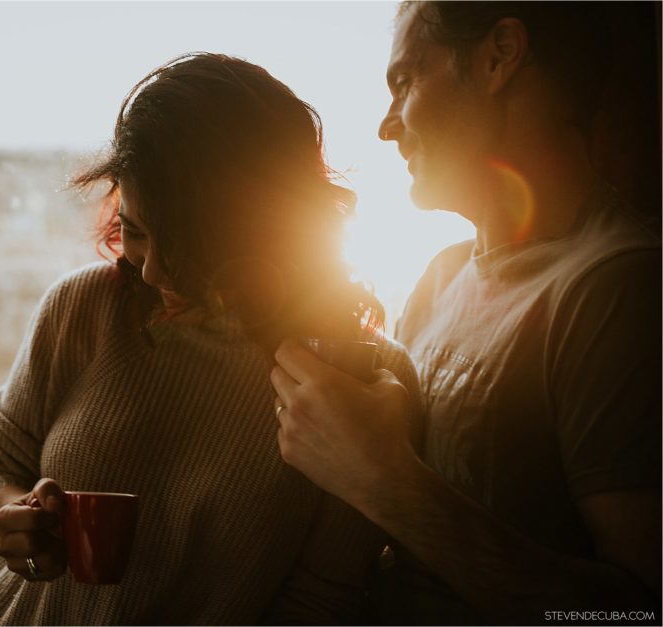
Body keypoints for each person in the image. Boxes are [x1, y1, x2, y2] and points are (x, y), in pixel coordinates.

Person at [0, 52, 421, 625]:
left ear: (271, 228)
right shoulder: (85, 307)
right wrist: (13, 520)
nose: (152, 271)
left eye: (184, 242)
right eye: (134, 231)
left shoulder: (362, 381)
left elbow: (318, 603)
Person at [271, 2, 661, 624]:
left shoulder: (618, 288)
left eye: (405, 81)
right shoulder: (439, 278)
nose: (386, 126)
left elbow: (640, 615)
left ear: (498, 56)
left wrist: (383, 480)